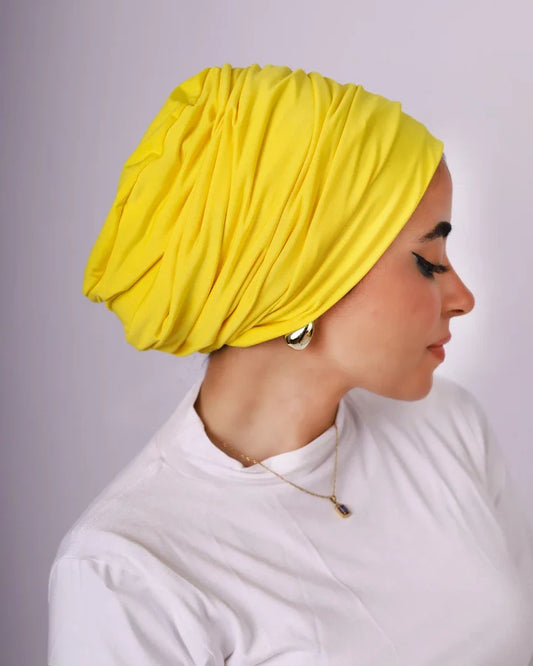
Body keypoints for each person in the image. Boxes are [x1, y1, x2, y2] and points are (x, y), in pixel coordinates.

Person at [48, 64, 533, 665]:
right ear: (302, 282)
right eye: (429, 259)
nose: (462, 297)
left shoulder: (448, 427)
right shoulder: (129, 571)